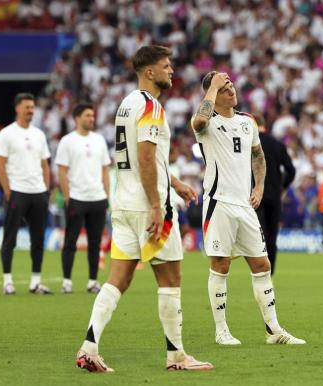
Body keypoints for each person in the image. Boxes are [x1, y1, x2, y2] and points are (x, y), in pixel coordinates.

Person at [75, 45, 214, 372]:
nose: (171, 71)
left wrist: (176, 182)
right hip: (148, 205)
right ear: (149, 72)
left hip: (122, 204)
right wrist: (156, 204)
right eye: (166, 66)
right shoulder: (151, 106)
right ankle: (176, 355)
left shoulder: (126, 104)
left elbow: (142, 157)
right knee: (170, 278)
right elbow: (147, 157)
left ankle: (89, 347)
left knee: (118, 279)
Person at [190, 70, 305, 346]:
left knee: (262, 264)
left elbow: (258, 156)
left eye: (231, 85)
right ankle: (221, 331)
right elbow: (199, 120)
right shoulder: (208, 122)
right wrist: (213, 85)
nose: (231, 89)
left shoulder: (247, 121)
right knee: (220, 265)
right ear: (213, 94)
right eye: (224, 86)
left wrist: (260, 186)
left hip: (244, 205)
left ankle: (273, 330)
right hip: (219, 202)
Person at [0, 93, 52, 295]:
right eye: (27, 107)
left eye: (32, 107)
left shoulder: (39, 134)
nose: (31, 110)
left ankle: (35, 282)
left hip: (38, 192)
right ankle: (7, 282)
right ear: (17, 108)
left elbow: (45, 164)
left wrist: (45, 189)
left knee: (38, 238)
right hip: (17, 191)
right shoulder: (7, 134)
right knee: (10, 237)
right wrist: (8, 190)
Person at [56, 103, 111, 294]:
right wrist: (67, 196)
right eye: (87, 115)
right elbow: (62, 171)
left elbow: (105, 170)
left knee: (95, 242)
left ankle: (92, 281)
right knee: (70, 241)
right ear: (76, 118)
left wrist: (107, 195)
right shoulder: (67, 141)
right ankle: (67, 281)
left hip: (97, 197)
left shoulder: (99, 140)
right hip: (76, 198)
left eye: (93, 116)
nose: (91, 119)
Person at [254, 113, 295, 275]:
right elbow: (290, 170)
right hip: (274, 196)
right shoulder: (278, 144)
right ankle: (270, 273)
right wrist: (282, 187)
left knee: (260, 235)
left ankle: (260, 271)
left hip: (255, 195)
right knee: (272, 236)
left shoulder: (249, 144)